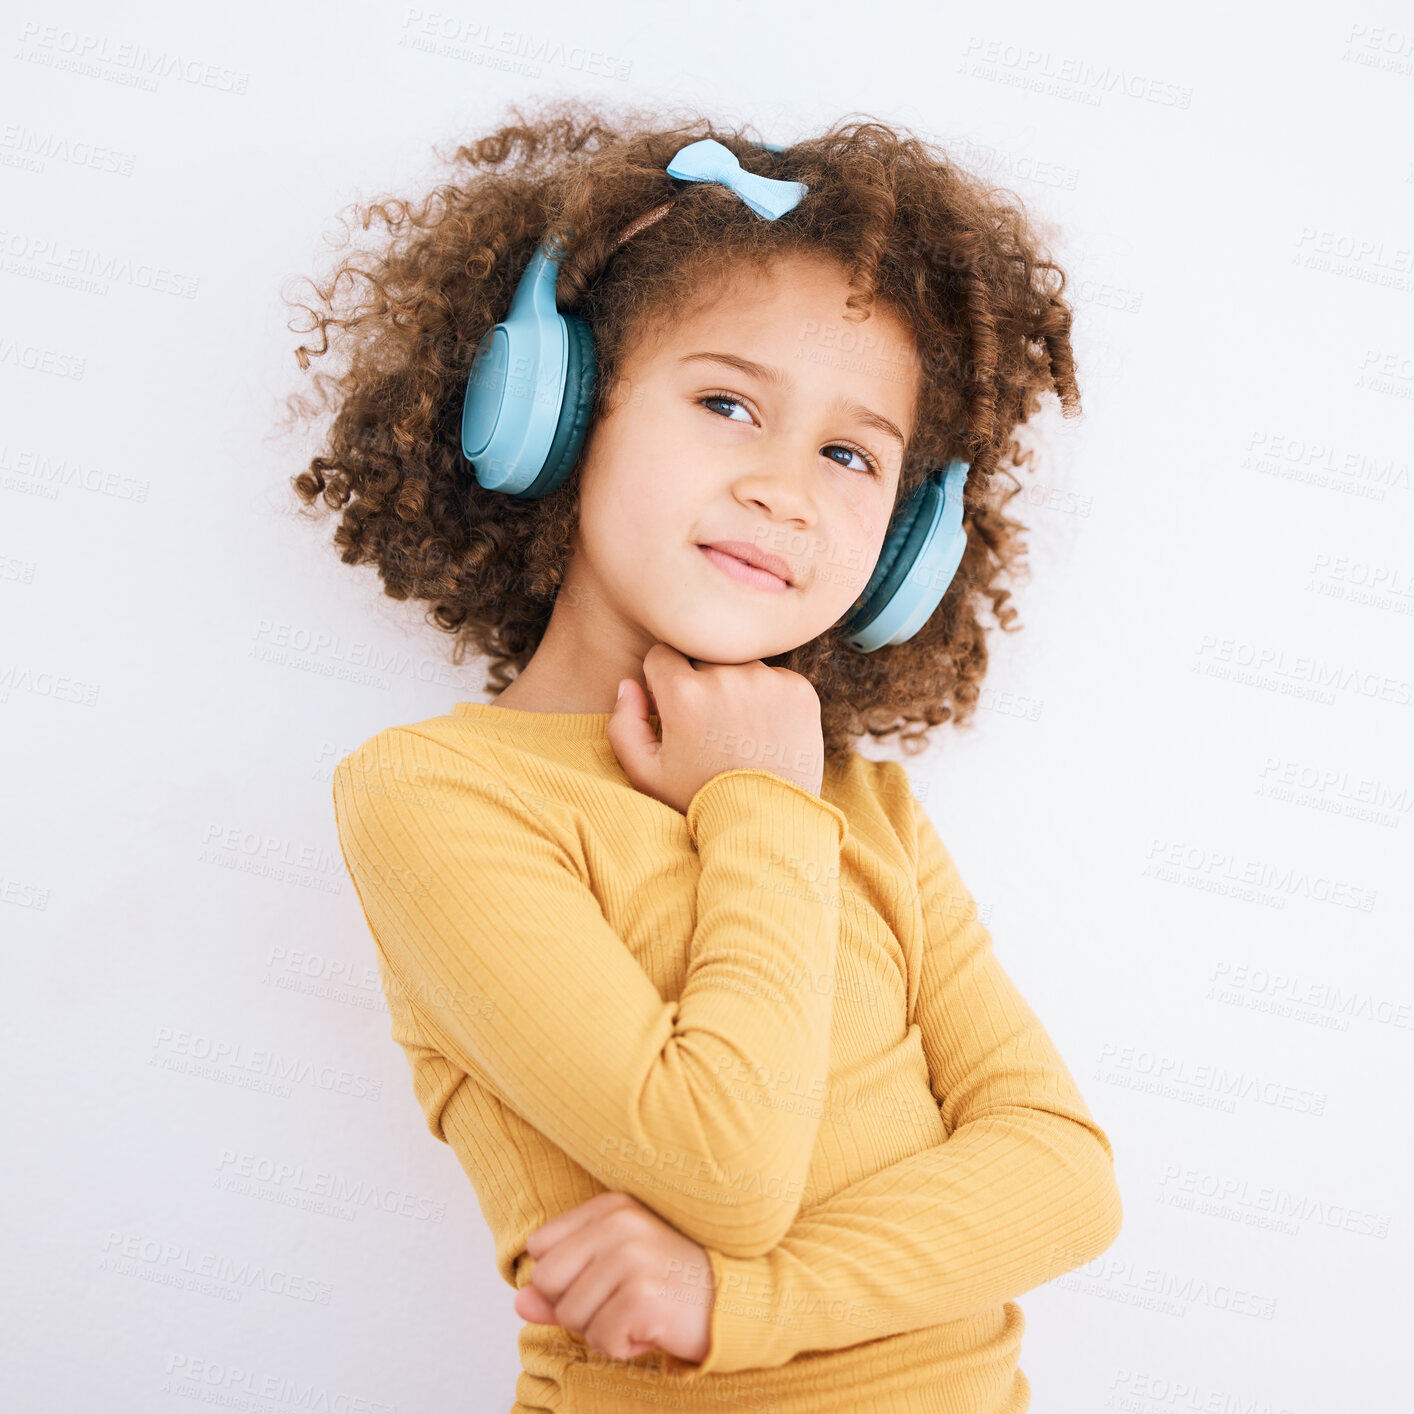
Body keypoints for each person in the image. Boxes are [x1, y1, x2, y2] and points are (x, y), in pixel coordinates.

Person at [286, 96, 1122, 1413]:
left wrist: (740, 1302)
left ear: (906, 548)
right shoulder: (438, 796)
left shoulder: (864, 800)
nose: (785, 487)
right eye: (728, 401)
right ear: (555, 410)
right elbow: (719, 1165)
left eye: (851, 452)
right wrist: (752, 802)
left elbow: (1061, 1177)